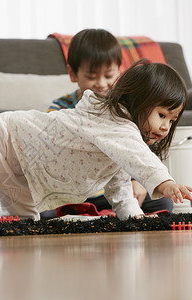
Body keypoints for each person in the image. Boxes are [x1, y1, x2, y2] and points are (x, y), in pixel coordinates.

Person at [0, 59, 192, 228]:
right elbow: (140, 158)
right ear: (139, 101)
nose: (165, 127)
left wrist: (136, 221)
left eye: (172, 120)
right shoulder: (116, 126)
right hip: (4, 139)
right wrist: (165, 183)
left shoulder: (116, 140)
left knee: (26, 229)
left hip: (25, 179)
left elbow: (119, 187)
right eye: (161, 115)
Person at [47, 28, 174, 216]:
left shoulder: (123, 110)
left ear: (119, 70)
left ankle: (99, 212)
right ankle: (96, 212)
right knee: (42, 212)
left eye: (108, 75)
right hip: (72, 191)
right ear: (73, 73)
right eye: (91, 76)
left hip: (115, 190)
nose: (101, 83)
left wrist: (137, 180)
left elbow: (134, 150)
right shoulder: (60, 109)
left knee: (162, 202)